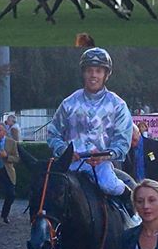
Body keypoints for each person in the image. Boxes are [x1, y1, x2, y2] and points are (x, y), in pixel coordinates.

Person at [47, 47, 134, 214]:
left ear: (106, 74)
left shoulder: (118, 105)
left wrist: (104, 155)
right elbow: (53, 134)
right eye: (89, 70)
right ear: (83, 73)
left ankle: (129, 206)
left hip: (101, 164)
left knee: (108, 185)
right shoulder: (68, 103)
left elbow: (123, 141)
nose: (93, 75)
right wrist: (64, 151)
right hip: (71, 164)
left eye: (98, 71)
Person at [124, 124, 158, 200]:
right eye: (129, 140)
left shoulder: (154, 145)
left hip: (154, 184)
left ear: (139, 133)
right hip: (135, 186)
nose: (132, 143)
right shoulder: (126, 149)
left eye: (134, 140)